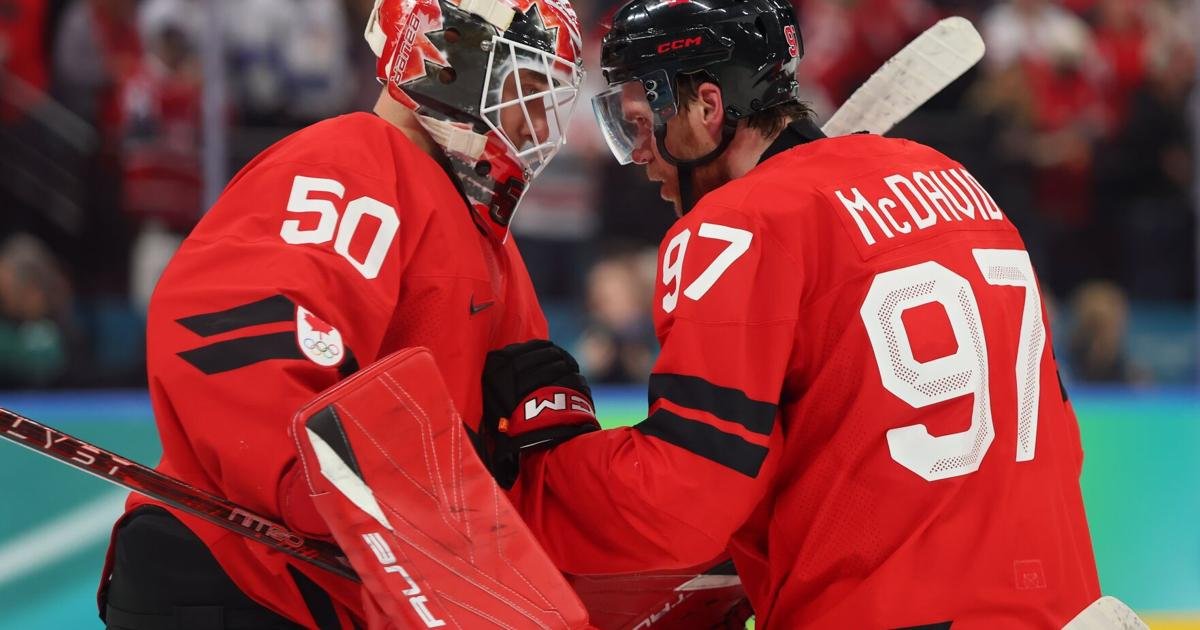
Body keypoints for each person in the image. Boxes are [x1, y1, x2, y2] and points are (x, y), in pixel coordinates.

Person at [481, 0, 1103, 626]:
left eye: (641, 123)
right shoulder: (955, 180)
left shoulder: (733, 227)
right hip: (1063, 604)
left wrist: (547, 466)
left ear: (706, 107)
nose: (639, 153)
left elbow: (683, 500)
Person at [97, 0, 585, 626]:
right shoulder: (348, 163)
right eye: (527, 90)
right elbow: (232, 336)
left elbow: (479, 468)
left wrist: (516, 446)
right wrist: (355, 483)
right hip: (239, 575)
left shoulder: (487, 236)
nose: (540, 123)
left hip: (342, 586)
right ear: (451, 65)